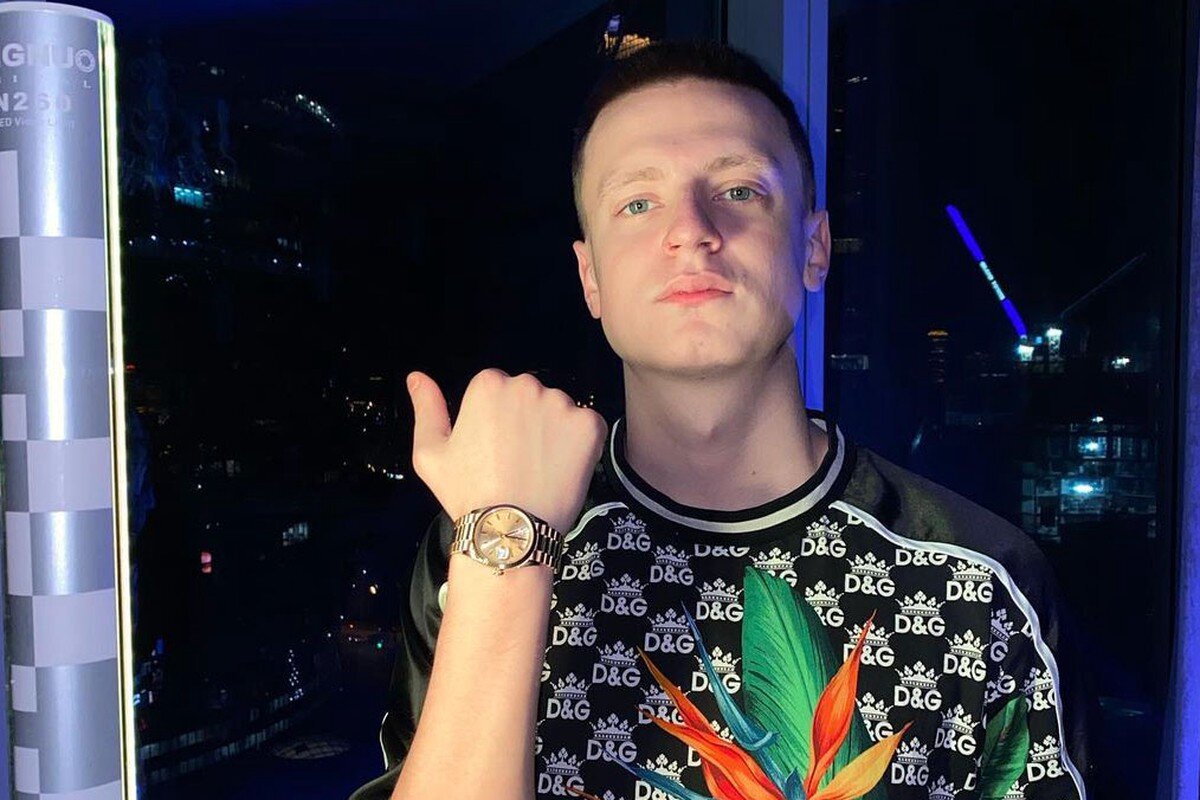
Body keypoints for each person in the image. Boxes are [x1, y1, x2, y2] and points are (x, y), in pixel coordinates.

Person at [349, 40, 1089, 800]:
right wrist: (509, 546)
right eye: (638, 203)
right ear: (591, 277)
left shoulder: (976, 578)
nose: (691, 229)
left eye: (738, 190)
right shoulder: (487, 540)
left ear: (814, 247)